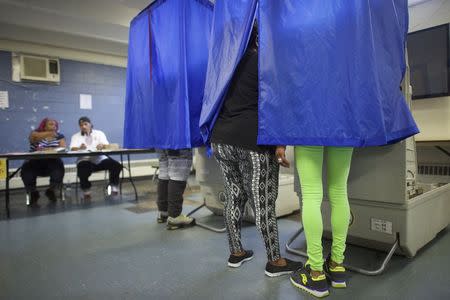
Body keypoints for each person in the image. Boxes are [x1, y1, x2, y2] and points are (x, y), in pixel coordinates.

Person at [210, 26, 302, 277]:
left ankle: (236, 252)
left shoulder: (221, 67)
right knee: (262, 202)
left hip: (220, 139)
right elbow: (274, 103)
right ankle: (275, 262)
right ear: (258, 39)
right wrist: (281, 141)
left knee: (234, 195)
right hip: (251, 140)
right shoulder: (261, 62)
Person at [69, 116, 122, 200]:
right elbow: (72, 148)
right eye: (81, 125)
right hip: (85, 159)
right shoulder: (75, 136)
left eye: (85, 124)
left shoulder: (99, 133)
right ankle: (86, 189)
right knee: (82, 169)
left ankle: (113, 185)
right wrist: (79, 148)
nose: (83, 126)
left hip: (99, 158)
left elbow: (106, 145)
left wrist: (102, 146)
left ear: (90, 124)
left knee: (117, 165)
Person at [21, 118, 65, 206]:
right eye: (51, 124)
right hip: (35, 161)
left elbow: (62, 148)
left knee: (59, 169)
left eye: (55, 125)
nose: (54, 126)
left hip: (52, 161)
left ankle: (51, 190)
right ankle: (33, 192)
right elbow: (32, 139)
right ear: (44, 126)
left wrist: (52, 149)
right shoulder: (35, 133)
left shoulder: (59, 136)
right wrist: (49, 133)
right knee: (26, 171)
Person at [156, 149, 196, 230]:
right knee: (178, 170)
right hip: (177, 138)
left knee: (164, 171)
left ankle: (164, 212)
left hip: (160, 138)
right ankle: (174, 216)